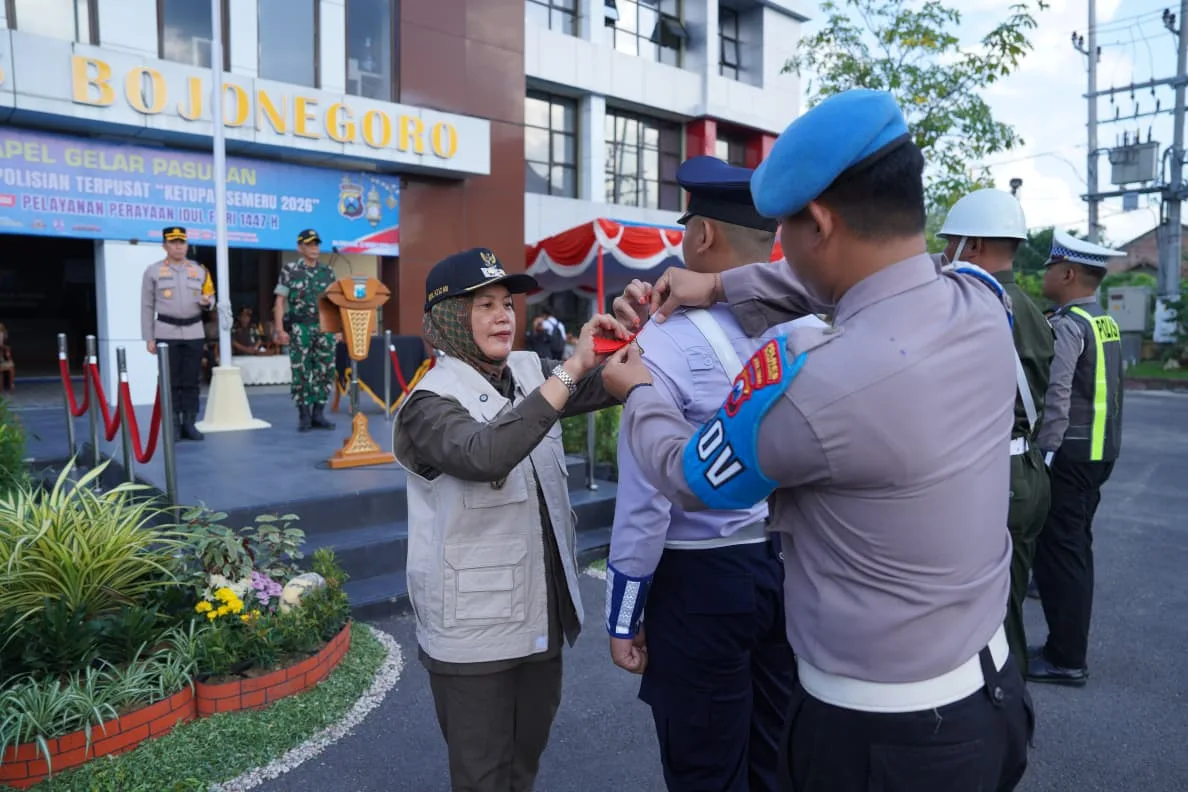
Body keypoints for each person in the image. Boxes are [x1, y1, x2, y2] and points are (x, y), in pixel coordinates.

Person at [603, 88, 1033, 791]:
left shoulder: (820, 391)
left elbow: (689, 476)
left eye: (786, 231)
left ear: (820, 225)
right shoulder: (978, 304)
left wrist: (640, 390)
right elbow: (848, 287)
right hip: (989, 691)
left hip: (882, 741)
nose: (783, 249)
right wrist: (715, 288)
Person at [606, 155, 813, 792]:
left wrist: (625, 611)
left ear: (700, 236)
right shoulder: (807, 330)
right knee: (775, 751)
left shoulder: (660, 341)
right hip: (788, 570)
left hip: (698, 579)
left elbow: (647, 496)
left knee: (704, 765)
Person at [391, 247, 628, 792]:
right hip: (473, 637)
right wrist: (570, 369)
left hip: (537, 621)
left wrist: (630, 327)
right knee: (482, 778)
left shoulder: (526, 370)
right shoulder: (428, 402)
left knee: (523, 769)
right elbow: (482, 454)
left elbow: (602, 378)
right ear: (450, 317)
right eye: (485, 306)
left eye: (508, 304)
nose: (504, 316)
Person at [936, 188, 1056, 672]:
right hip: (1026, 469)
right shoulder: (1027, 307)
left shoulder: (971, 303)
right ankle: (1012, 708)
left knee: (986, 618)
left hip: (991, 473)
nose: (945, 254)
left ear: (976, 245)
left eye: (950, 243)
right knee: (1008, 604)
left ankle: (1001, 725)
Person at [1027, 230, 1126, 687]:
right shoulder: (1102, 319)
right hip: (1099, 452)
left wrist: (1042, 456)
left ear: (1067, 273)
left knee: (1063, 554)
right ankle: (1065, 649)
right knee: (1074, 548)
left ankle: (1066, 657)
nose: (1044, 274)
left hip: (1069, 455)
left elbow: (1058, 397)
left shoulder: (1069, 325)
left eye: (1049, 267)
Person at [141, 226, 213, 441]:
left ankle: (189, 423)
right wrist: (149, 337)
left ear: (187, 245)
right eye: (173, 242)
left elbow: (210, 296)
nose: (178, 246)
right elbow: (146, 305)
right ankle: (172, 424)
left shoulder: (200, 270)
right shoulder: (153, 271)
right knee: (170, 380)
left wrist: (208, 302)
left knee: (192, 380)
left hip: (193, 332)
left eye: (181, 242)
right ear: (165, 245)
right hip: (166, 331)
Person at [273, 229, 336, 432]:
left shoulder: (328, 272)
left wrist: (339, 329)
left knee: (324, 370)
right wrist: (279, 329)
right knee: (301, 371)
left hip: (325, 328)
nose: (314, 248)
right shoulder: (290, 270)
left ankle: (319, 413)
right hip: (301, 328)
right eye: (309, 244)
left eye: (316, 244)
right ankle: (304, 415)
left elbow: (335, 303)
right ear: (300, 248)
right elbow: (280, 301)